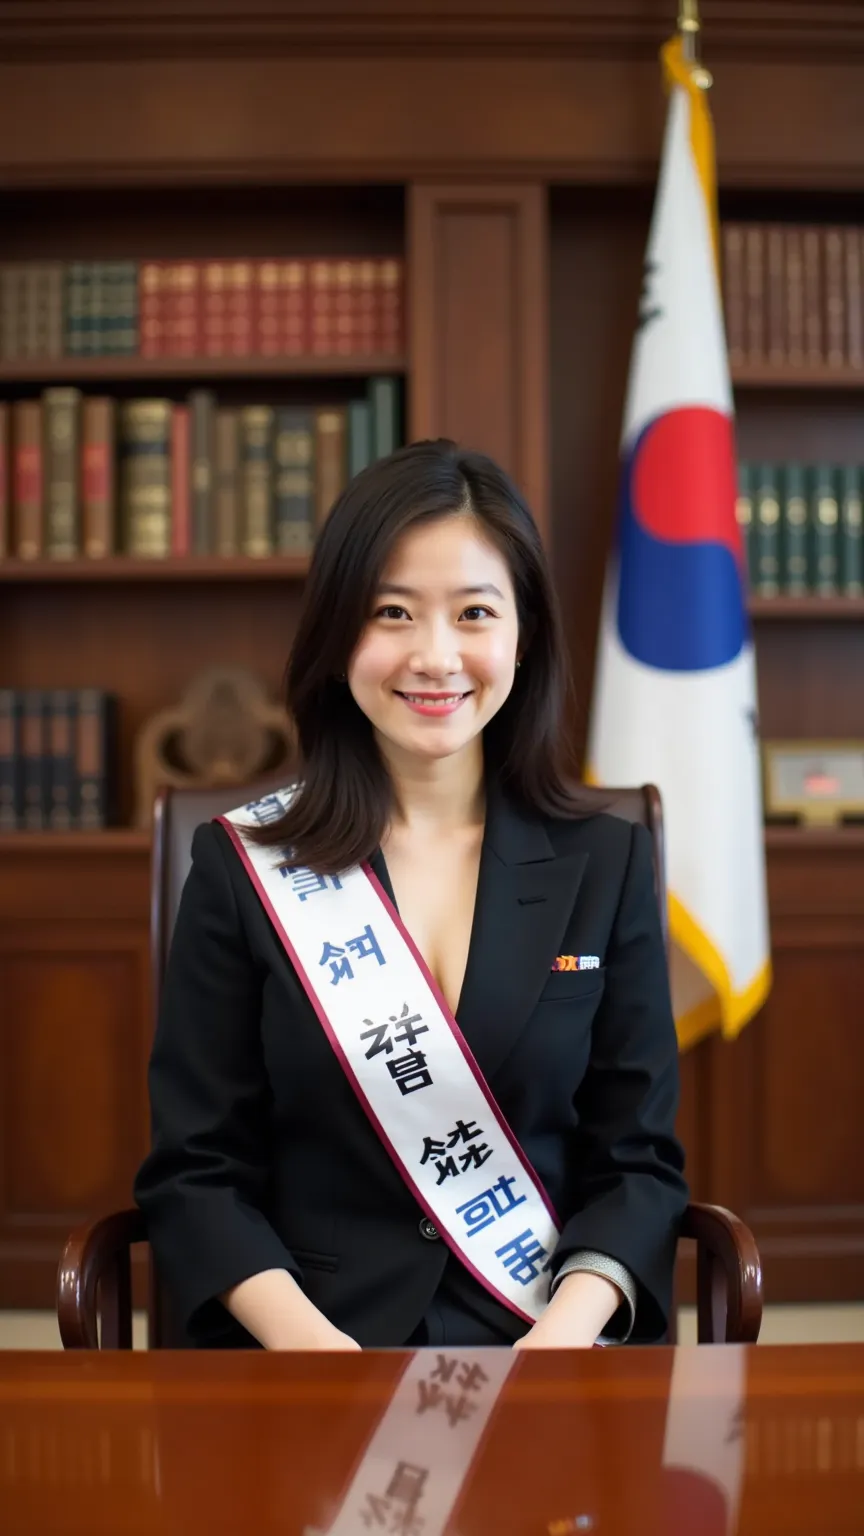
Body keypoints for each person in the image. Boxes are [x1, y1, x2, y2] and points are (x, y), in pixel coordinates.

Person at [134, 438, 688, 1352]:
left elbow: (637, 1162)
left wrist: (560, 1341)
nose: (435, 656)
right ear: (338, 635)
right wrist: (317, 1357)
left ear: (524, 635)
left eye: (474, 612)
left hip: (538, 1346)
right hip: (307, 1353)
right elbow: (197, 1170)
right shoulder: (244, 870)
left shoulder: (607, 864)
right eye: (392, 611)